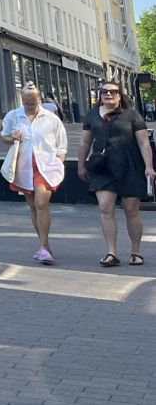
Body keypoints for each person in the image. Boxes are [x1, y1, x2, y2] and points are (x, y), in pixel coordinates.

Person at [78, 81, 155, 267]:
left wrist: (149, 167)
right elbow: (85, 142)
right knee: (105, 208)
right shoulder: (92, 115)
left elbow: (144, 143)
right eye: (104, 92)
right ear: (100, 95)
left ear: (120, 96)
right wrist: (81, 164)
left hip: (130, 166)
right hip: (103, 167)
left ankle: (136, 252)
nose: (109, 95)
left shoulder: (132, 115)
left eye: (113, 92)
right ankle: (111, 253)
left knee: (131, 209)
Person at [0, 83, 68, 265]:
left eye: (32, 102)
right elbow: (4, 136)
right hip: (23, 167)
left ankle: (44, 248)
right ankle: (44, 245)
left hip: (46, 167)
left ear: (39, 99)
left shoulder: (51, 118)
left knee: (41, 203)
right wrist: (11, 138)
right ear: (22, 100)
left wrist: (58, 163)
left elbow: (62, 145)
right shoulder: (14, 116)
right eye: (26, 103)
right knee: (33, 206)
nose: (29, 106)